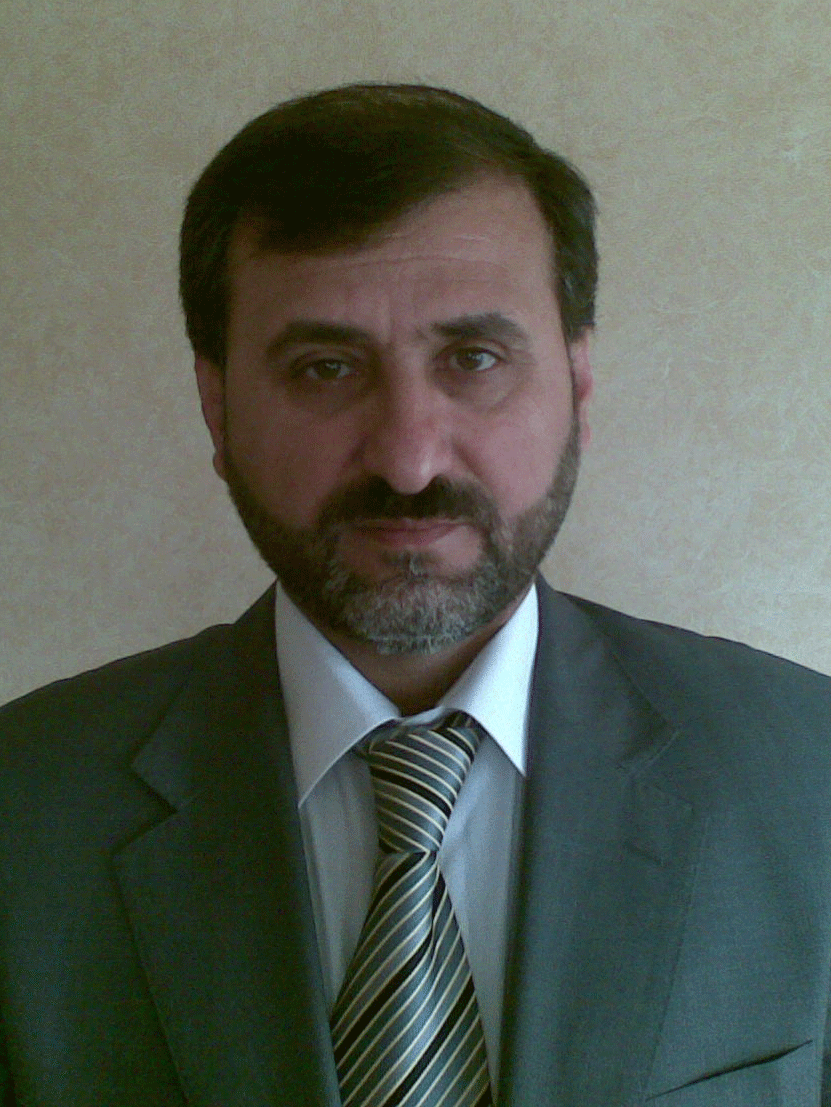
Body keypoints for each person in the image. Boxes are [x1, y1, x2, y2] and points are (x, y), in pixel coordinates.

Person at [1, 83, 830, 1107]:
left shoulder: (809, 775)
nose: (407, 459)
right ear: (217, 409)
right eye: (323, 368)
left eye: (474, 359)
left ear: (577, 387)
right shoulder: (23, 809)